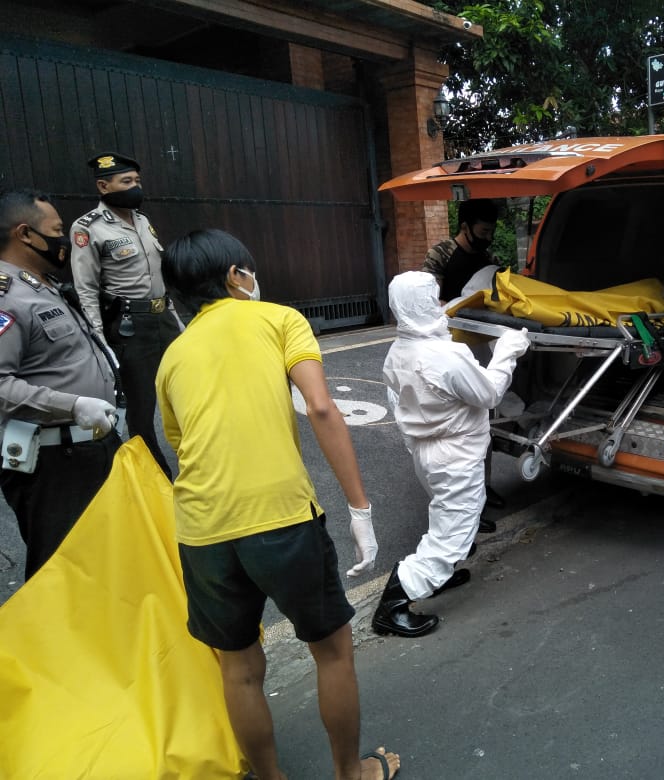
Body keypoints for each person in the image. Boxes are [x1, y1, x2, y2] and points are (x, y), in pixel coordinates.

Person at [156, 229, 398, 780]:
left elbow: (181, 443)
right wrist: (360, 510)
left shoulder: (172, 355)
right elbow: (320, 408)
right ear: (234, 277)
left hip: (200, 529)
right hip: (281, 520)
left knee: (238, 669)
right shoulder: (279, 319)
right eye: (248, 269)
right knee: (333, 651)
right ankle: (350, 772)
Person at [373, 271, 529, 638]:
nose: (441, 305)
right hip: (455, 454)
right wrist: (508, 351)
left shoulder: (398, 352)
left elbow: (400, 403)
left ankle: (436, 576)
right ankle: (395, 602)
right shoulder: (446, 356)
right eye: (435, 299)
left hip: (426, 453)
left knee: (446, 515)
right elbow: (489, 394)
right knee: (451, 536)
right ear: (425, 304)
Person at [0, 189, 121, 580]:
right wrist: (73, 406)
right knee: (61, 570)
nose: (63, 239)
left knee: (106, 559)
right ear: (25, 234)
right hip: (54, 461)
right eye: (56, 230)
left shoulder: (44, 285)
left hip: (91, 448)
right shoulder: (8, 299)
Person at [70, 152, 180, 478]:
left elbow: (160, 279)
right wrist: (101, 342)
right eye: (127, 182)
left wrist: (179, 324)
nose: (136, 187)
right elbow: (86, 289)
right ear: (104, 185)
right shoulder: (88, 228)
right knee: (142, 409)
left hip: (163, 319)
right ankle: (155, 476)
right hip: (131, 327)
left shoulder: (142, 220)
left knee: (186, 390)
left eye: (137, 181)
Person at [422, 198, 507, 518]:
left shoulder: (488, 259)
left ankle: (482, 489)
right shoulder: (441, 254)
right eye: (483, 230)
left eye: (491, 230)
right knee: (455, 430)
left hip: (478, 350)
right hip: (446, 353)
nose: (488, 236)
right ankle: (460, 507)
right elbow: (427, 300)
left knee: (482, 423)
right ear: (465, 227)